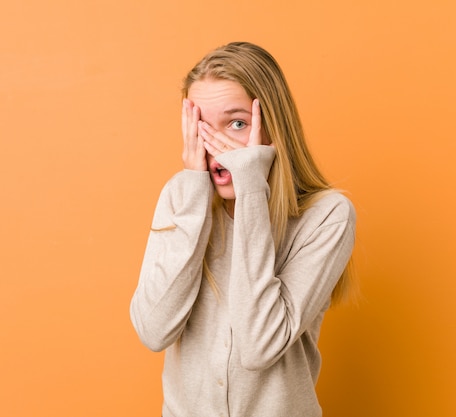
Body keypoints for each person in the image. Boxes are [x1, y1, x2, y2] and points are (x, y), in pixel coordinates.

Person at [130, 41, 356, 417]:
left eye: (237, 124)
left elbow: (258, 346)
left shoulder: (328, 216)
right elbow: (154, 331)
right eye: (201, 126)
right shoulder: (180, 198)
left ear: (273, 128)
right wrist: (192, 192)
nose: (218, 148)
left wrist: (252, 188)